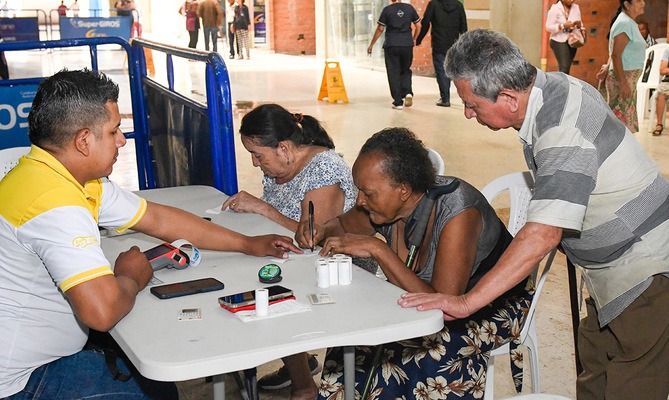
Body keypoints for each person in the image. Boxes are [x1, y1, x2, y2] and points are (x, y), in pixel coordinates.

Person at [400, 29, 669, 400]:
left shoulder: (561, 129)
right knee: (595, 369)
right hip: (613, 269)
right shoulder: (550, 88)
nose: (466, 113)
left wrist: (466, 302)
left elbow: (543, 233)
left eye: (472, 104)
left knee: (632, 382)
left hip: (646, 266)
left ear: (509, 98)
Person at [0, 69, 301, 399]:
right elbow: (102, 312)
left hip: (35, 352)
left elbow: (157, 219)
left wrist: (246, 243)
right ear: (84, 140)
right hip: (22, 380)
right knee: (156, 389)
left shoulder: (49, 174)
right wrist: (131, 276)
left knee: (153, 378)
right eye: (113, 130)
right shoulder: (55, 205)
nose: (121, 140)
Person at [296, 128, 533, 399]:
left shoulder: (457, 213)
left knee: (428, 350)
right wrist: (319, 230)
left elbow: (443, 305)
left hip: (491, 303)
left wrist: (379, 250)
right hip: (435, 299)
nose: (360, 200)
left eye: (368, 193)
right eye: (359, 190)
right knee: (354, 332)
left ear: (404, 190)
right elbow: (341, 225)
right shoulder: (379, 207)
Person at [222, 103, 357, 399]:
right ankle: (297, 362)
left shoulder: (325, 168)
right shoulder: (280, 166)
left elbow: (311, 238)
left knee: (266, 290)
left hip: (336, 265)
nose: (256, 164)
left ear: (283, 147)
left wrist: (263, 209)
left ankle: (303, 385)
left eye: (258, 155)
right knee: (242, 269)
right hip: (298, 259)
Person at [596, 0, 646, 133]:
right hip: (622, 78)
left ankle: (623, 152)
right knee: (619, 124)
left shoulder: (629, 22)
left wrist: (607, 67)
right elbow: (616, 54)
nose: (643, 3)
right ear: (627, 4)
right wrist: (623, 83)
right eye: (638, 1)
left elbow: (615, 52)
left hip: (627, 78)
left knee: (624, 122)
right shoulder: (624, 23)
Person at [367, 0, 421, 110]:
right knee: (405, 69)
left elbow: (380, 28)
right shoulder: (409, 8)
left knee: (393, 72)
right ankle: (407, 93)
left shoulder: (387, 10)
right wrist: (413, 38)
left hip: (392, 44)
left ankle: (398, 102)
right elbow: (418, 25)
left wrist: (371, 44)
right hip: (407, 44)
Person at [416, 0, 466, 108]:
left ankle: (445, 99)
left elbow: (425, 23)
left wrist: (419, 39)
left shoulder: (434, 4)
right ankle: (465, 98)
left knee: (441, 71)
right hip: (455, 44)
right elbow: (464, 26)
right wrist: (463, 44)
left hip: (439, 43)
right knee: (457, 72)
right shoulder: (458, 5)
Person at [545, 0, 583, 74]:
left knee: (567, 66)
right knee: (564, 66)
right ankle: (563, 84)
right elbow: (548, 27)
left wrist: (578, 25)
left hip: (572, 40)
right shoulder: (555, 9)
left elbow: (580, 24)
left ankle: (565, 83)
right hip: (558, 40)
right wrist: (562, 26)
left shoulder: (576, 8)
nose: (571, 0)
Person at [651, 46, 669, 136]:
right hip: (667, 82)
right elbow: (662, 70)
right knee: (661, 93)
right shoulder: (668, 50)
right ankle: (659, 124)